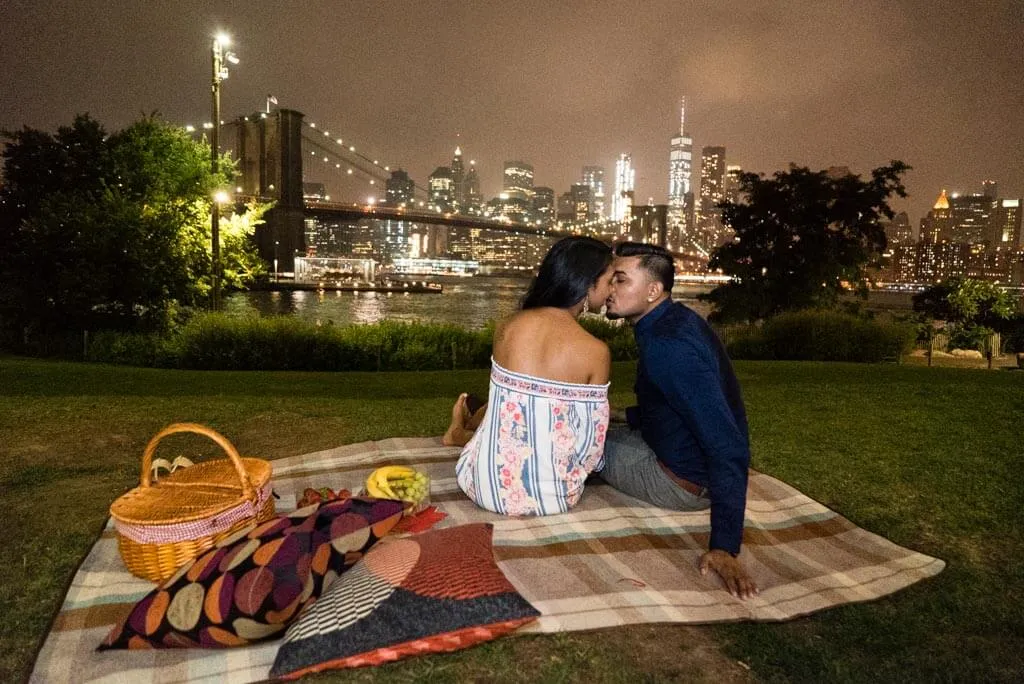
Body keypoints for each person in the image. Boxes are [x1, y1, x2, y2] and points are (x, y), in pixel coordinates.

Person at [602, 242, 758, 599]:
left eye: (620, 281)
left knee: (575, 441)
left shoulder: (667, 347)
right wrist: (624, 415)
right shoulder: (677, 320)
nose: (609, 290)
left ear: (653, 290)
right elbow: (673, 408)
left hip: (678, 483)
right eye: (610, 280)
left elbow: (727, 445)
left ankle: (478, 425)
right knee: (592, 424)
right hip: (680, 462)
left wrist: (724, 545)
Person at [444, 236, 615, 516]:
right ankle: (459, 432)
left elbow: (502, 415)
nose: (611, 291)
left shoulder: (509, 326)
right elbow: (589, 446)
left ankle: (460, 432)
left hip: (479, 485)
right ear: (587, 282)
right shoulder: (596, 351)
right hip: (553, 498)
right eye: (609, 281)